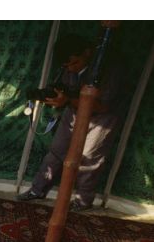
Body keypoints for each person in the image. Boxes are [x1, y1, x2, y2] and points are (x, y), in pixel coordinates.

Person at [18, 34, 126, 211]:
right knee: (56, 152)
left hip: (102, 119)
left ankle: (83, 202)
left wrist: (67, 101)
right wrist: (47, 95)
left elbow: (102, 105)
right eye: (67, 66)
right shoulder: (68, 68)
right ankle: (37, 190)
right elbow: (61, 88)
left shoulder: (110, 69)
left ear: (87, 53)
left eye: (74, 63)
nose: (71, 69)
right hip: (73, 112)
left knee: (89, 159)